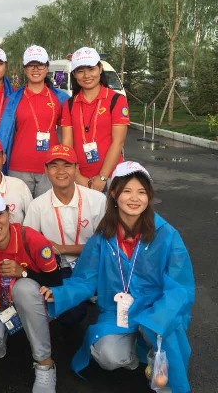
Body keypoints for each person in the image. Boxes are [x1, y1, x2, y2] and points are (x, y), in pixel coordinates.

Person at [40, 161, 195, 393]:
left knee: (163, 341)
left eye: (141, 192)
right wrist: (59, 293)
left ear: (149, 196)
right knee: (108, 355)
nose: (135, 198)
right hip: (118, 312)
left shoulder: (167, 235)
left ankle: (153, 353)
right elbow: (86, 278)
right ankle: (138, 353)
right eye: (127, 191)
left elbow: (180, 288)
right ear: (113, 193)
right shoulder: (102, 237)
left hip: (156, 310)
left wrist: (158, 317)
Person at [0, 188, 61, 393]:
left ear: (9, 213)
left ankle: (45, 364)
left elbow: (56, 282)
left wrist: (23, 273)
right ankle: (2, 335)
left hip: (32, 301)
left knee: (24, 288)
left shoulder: (31, 238)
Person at [0, 45, 70, 197]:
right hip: (19, 167)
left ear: (47, 67)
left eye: (40, 65)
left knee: (47, 211)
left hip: (51, 167)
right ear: (25, 69)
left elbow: (69, 135)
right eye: (31, 65)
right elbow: (4, 134)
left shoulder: (61, 98)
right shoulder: (13, 99)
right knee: (18, 210)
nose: (35, 69)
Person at [24, 144, 106, 274]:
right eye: (54, 166)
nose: (61, 171)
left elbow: (103, 246)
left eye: (67, 165)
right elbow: (29, 245)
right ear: (46, 170)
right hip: (54, 269)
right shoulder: (37, 205)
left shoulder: (98, 200)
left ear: (76, 168)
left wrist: (62, 248)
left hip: (93, 267)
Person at [60, 47, 130, 192]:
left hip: (111, 177)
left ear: (100, 68)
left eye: (91, 69)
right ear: (74, 74)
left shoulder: (116, 100)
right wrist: (77, 175)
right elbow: (67, 144)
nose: (86, 75)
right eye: (80, 71)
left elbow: (118, 142)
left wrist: (102, 177)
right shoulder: (69, 104)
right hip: (79, 178)